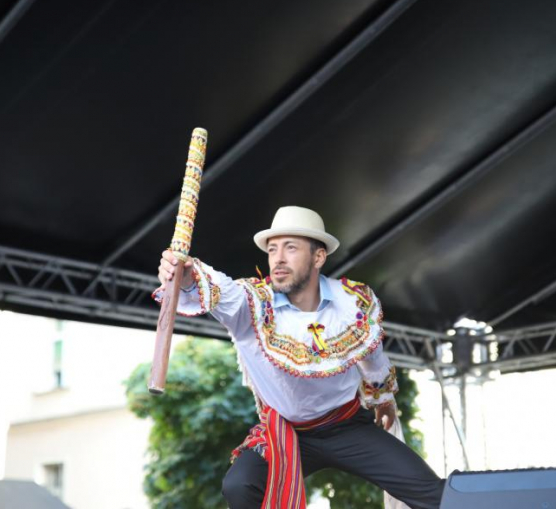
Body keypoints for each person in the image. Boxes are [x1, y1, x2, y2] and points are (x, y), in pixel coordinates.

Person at [156, 206, 444, 509]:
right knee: (239, 485)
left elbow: (371, 355)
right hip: (286, 433)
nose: (278, 259)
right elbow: (213, 289)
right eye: (272, 249)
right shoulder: (251, 305)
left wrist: (382, 398)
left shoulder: (352, 303)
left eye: (290, 248)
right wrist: (186, 277)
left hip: (347, 425)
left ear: (318, 257)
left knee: (432, 493)